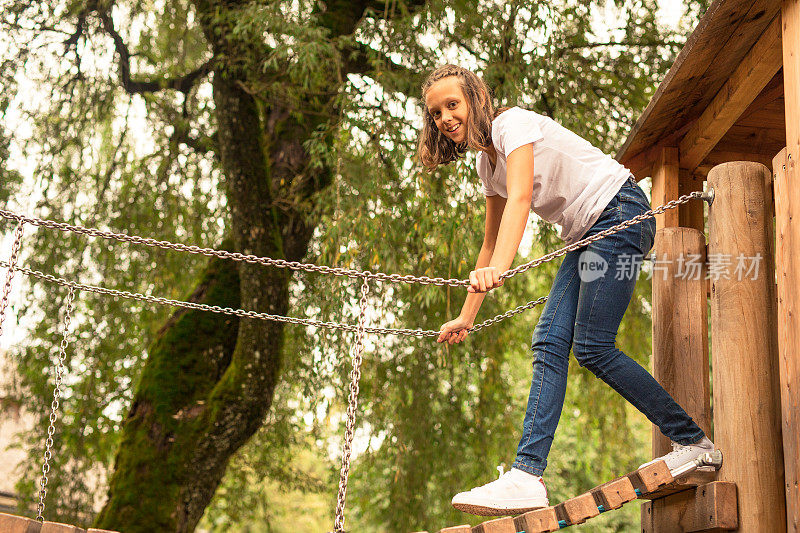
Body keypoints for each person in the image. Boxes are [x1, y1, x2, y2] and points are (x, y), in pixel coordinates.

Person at [416, 64, 714, 516]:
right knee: (550, 339)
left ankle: (694, 442)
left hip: (619, 211)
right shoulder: (485, 165)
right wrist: (467, 314)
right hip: (588, 233)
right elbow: (489, 242)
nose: (444, 118)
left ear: (476, 100)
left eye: (451, 105)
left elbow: (520, 200)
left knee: (593, 346)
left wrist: (500, 268)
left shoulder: (512, 125)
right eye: (436, 113)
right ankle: (527, 477)